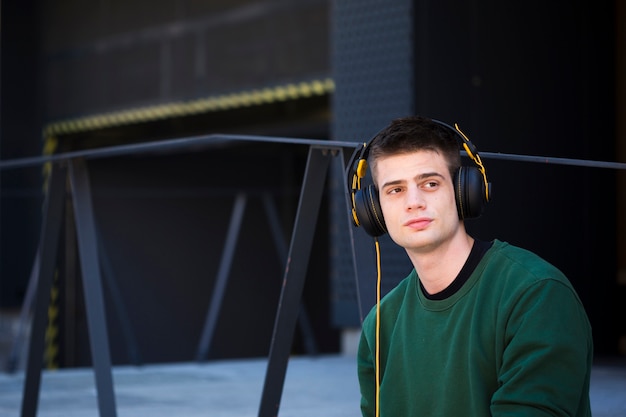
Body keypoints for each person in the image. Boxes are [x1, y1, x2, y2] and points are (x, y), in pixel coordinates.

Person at [349, 115, 593, 416]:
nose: (414, 202)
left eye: (430, 183)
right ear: (373, 211)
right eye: (395, 190)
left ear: (465, 192)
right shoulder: (380, 324)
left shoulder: (535, 295)